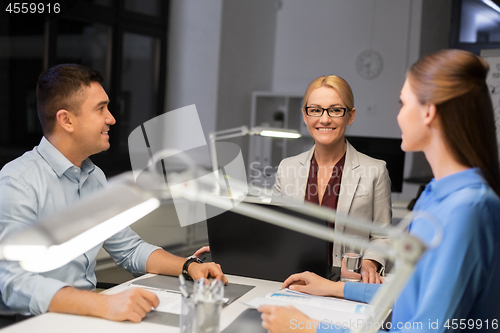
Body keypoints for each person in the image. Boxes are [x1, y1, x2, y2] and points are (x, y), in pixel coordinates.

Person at [259, 49, 500, 332]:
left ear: (428, 112)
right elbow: (407, 290)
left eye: (402, 103)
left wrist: (309, 328)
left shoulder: (468, 208)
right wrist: (334, 288)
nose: (397, 117)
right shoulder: (435, 194)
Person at [0, 64, 227, 324]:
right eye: (100, 109)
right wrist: (102, 303)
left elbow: (129, 250)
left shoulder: (93, 176)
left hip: (86, 315)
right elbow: (11, 281)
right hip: (39, 323)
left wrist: (189, 267)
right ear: (66, 120)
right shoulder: (18, 181)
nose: (111, 118)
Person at [272, 75, 391, 284]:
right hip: (294, 281)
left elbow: (383, 236)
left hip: (346, 285)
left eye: (335, 110)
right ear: (305, 115)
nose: (324, 119)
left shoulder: (375, 170)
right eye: (315, 110)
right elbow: (274, 230)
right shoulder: (287, 168)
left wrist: (371, 262)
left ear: (350, 115)